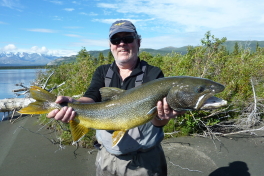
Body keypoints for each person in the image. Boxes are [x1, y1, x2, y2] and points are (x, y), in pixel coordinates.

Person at [47, 20, 185, 176]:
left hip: (144, 162)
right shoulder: (102, 71)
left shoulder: (153, 75)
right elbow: (91, 97)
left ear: (138, 42)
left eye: (128, 39)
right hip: (106, 158)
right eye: (116, 40)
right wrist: (73, 103)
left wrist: (163, 116)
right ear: (110, 45)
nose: (121, 44)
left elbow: (158, 120)